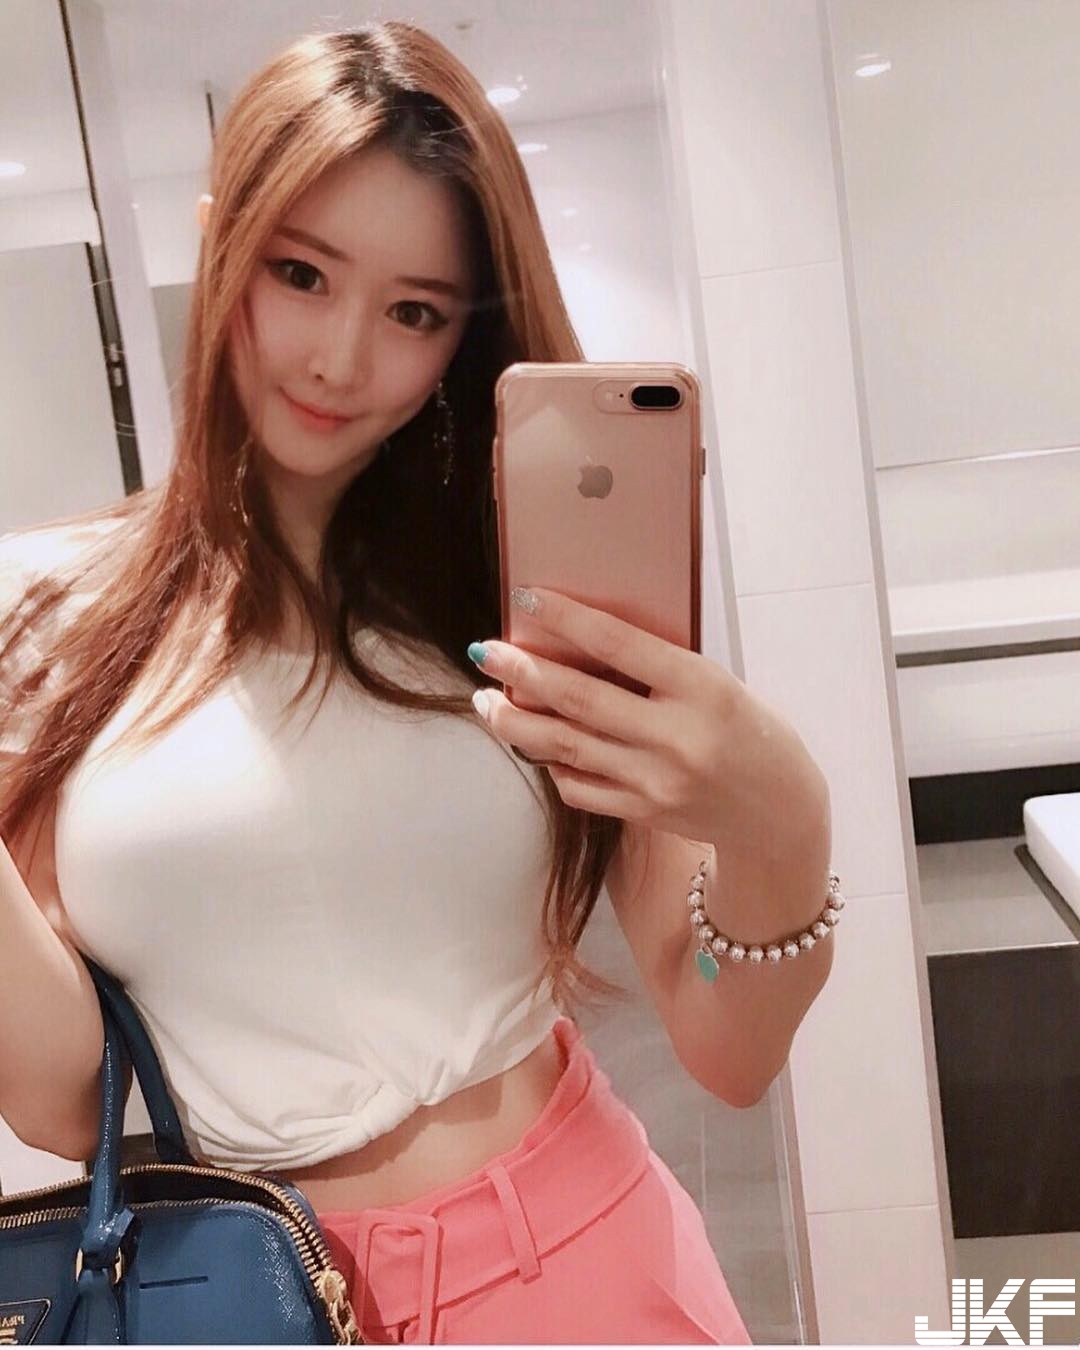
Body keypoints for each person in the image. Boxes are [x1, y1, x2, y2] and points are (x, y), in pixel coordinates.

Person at [0, 21, 836, 1345]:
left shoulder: (519, 596)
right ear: (223, 246)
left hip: (580, 1267)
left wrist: (781, 819)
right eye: (301, 274)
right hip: (249, 1300)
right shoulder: (56, 613)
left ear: (462, 337)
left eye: (414, 312)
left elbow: (728, 1050)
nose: (340, 359)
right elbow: (60, 1097)